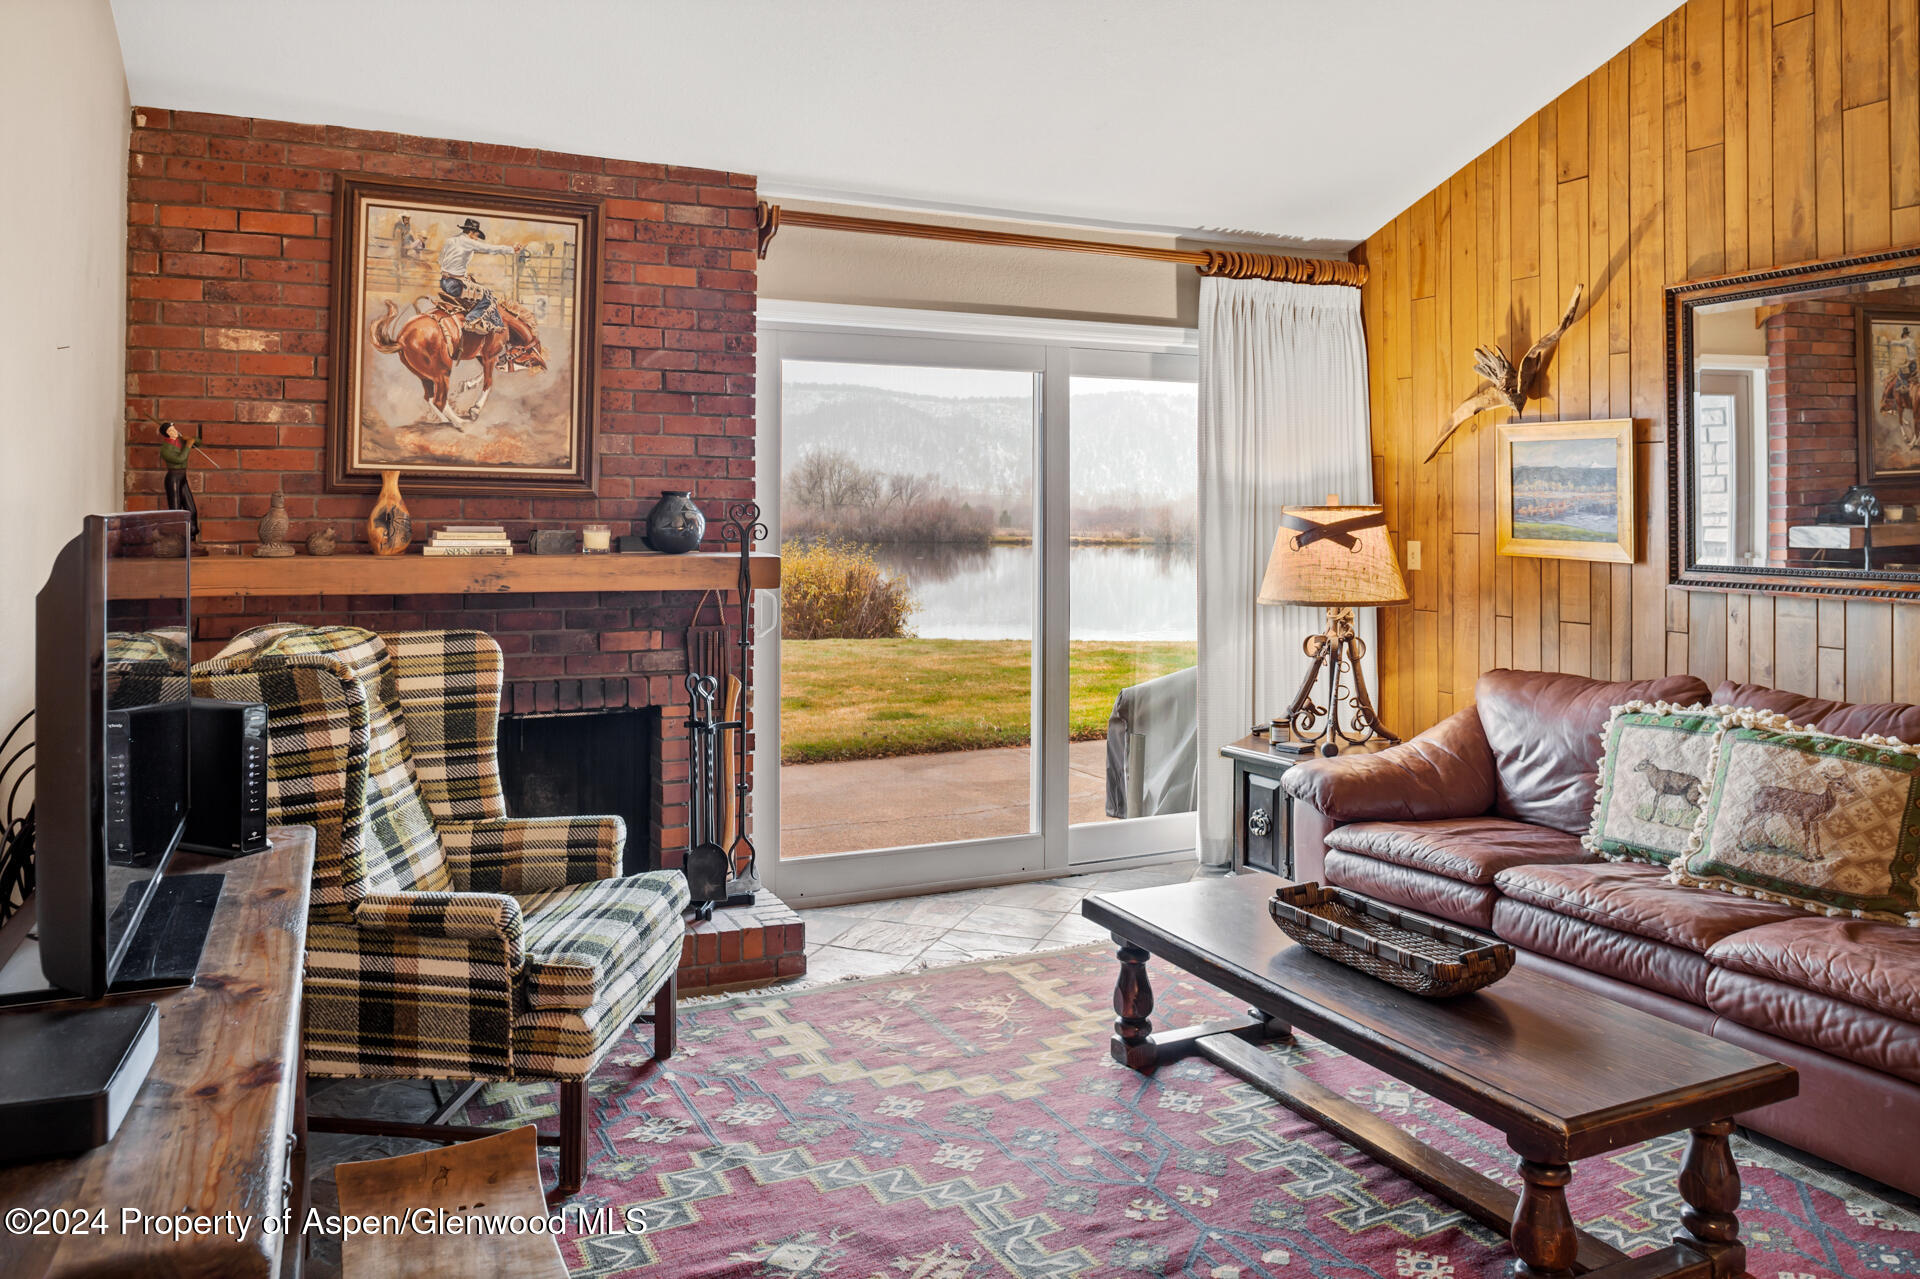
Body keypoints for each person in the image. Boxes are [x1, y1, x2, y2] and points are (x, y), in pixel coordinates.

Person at [437, 218, 522, 333]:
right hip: (455, 284)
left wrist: (450, 270)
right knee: (487, 297)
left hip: (444, 281)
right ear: (471, 233)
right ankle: (470, 320)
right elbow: (489, 249)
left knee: (476, 289)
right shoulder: (468, 242)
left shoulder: (450, 240)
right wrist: (511, 249)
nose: (476, 238)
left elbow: (440, 260)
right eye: (476, 235)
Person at [159, 422, 199, 543]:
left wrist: (191, 439)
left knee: (191, 508)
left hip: (182, 477)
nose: (175, 432)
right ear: (166, 434)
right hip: (173, 478)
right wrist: (188, 445)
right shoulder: (165, 449)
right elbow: (180, 459)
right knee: (176, 510)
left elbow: (198, 443)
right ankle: (177, 538)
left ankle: (192, 536)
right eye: (171, 431)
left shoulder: (181, 441)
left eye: (174, 429)